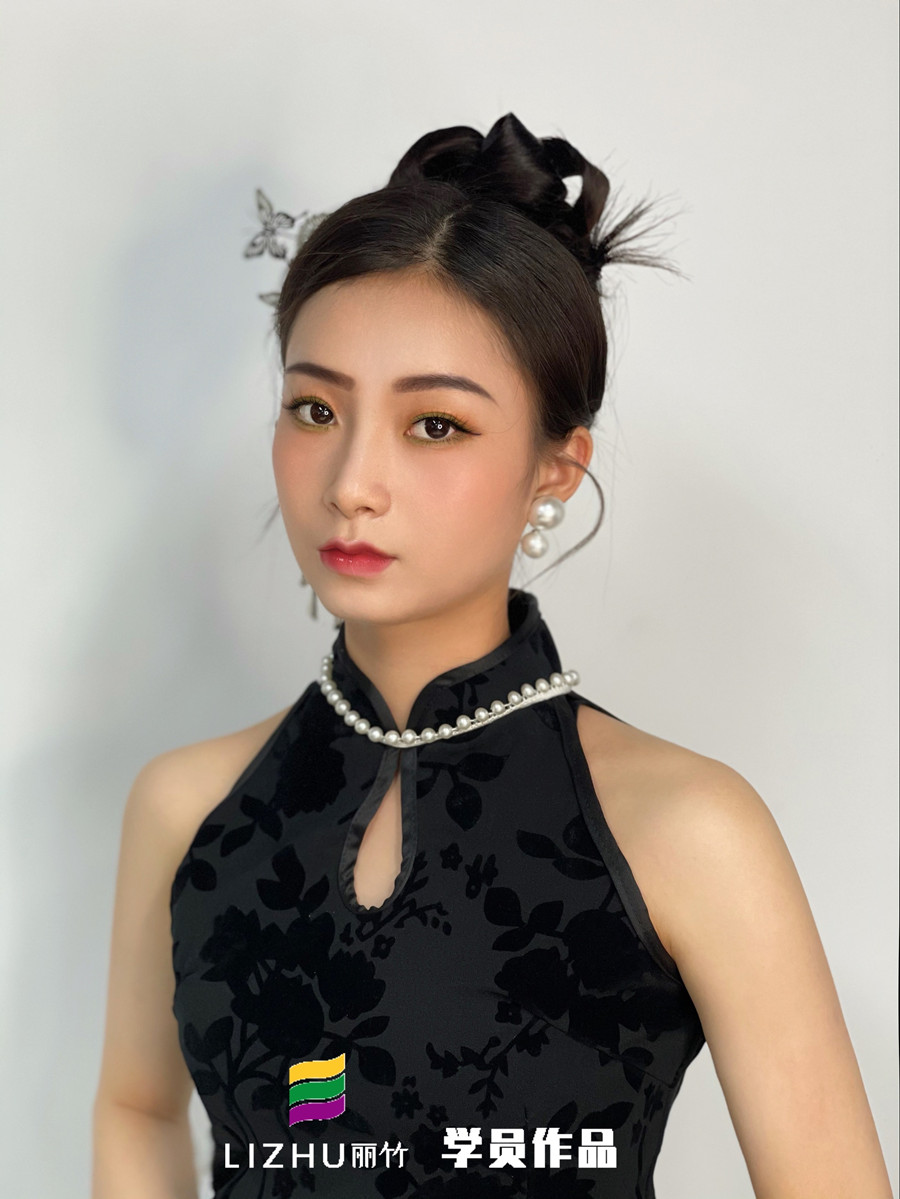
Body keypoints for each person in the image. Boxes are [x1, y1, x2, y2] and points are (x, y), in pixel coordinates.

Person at [91, 114, 893, 1198]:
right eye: (316, 408)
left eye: (436, 425)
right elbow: (138, 1107)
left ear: (556, 466)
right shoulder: (190, 809)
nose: (351, 482)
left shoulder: (688, 827)